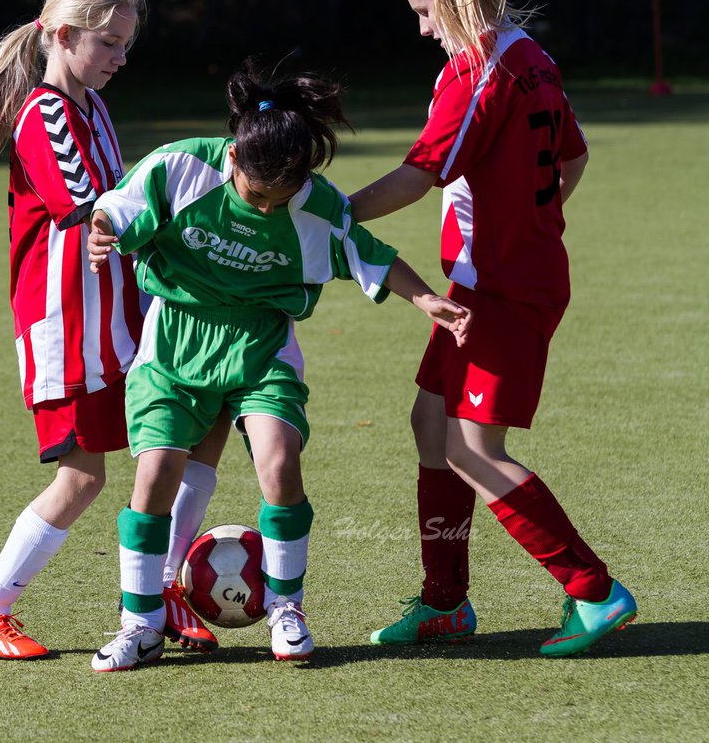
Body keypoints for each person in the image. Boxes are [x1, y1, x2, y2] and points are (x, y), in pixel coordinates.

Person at [84, 62, 472, 672]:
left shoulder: (316, 207)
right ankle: (141, 623)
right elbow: (117, 208)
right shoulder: (180, 167)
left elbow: (371, 256)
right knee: (153, 476)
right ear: (234, 156)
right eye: (256, 194)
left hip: (262, 345)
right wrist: (102, 232)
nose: (268, 207)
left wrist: (427, 299)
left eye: (280, 197)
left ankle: (286, 610)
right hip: (175, 344)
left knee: (279, 461)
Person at [0, 0, 229, 661]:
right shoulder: (45, 114)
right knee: (83, 477)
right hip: (70, 323)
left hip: (120, 312)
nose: (120, 57)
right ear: (64, 35)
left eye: (126, 45)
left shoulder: (94, 108)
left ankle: (160, 589)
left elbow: (124, 200)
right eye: (109, 43)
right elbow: (83, 208)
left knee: (195, 430)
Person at [350, 0, 637, 657]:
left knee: (474, 450)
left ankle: (594, 592)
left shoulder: (479, 69)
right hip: (489, 284)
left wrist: (333, 214)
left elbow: (419, 176)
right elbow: (573, 159)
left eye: (422, 12)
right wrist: (527, 224)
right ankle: (445, 602)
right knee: (429, 423)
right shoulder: (530, 54)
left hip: (503, 290)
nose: (420, 30)